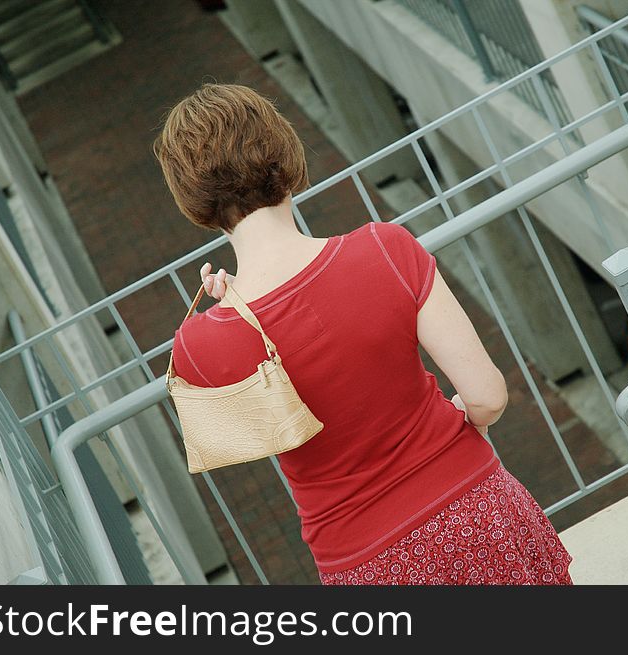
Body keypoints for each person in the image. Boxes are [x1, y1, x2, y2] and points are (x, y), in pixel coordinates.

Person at [153, 82, 574, 585]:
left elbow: (257, 423)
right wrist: (463, 418)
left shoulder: (200, 346)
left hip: (366, 564)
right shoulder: (385, 249)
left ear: (191, 199)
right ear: (283, 154)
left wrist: (230, 310)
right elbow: (487, 396)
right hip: (478, 513)